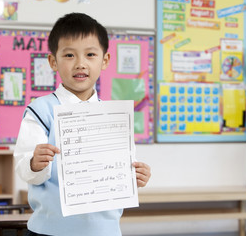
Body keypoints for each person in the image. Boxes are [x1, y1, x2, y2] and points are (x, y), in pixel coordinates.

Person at [14, 12, 151, 236]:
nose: (80, 64)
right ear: (53, 61)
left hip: (104, 231)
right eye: (69, 55)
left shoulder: (113, 116)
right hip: (51, 231)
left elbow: (121, 168)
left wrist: (136, 176)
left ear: (104, 60)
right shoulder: (40, 110)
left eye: (90, 54)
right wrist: (34, 163)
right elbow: (25, 167)